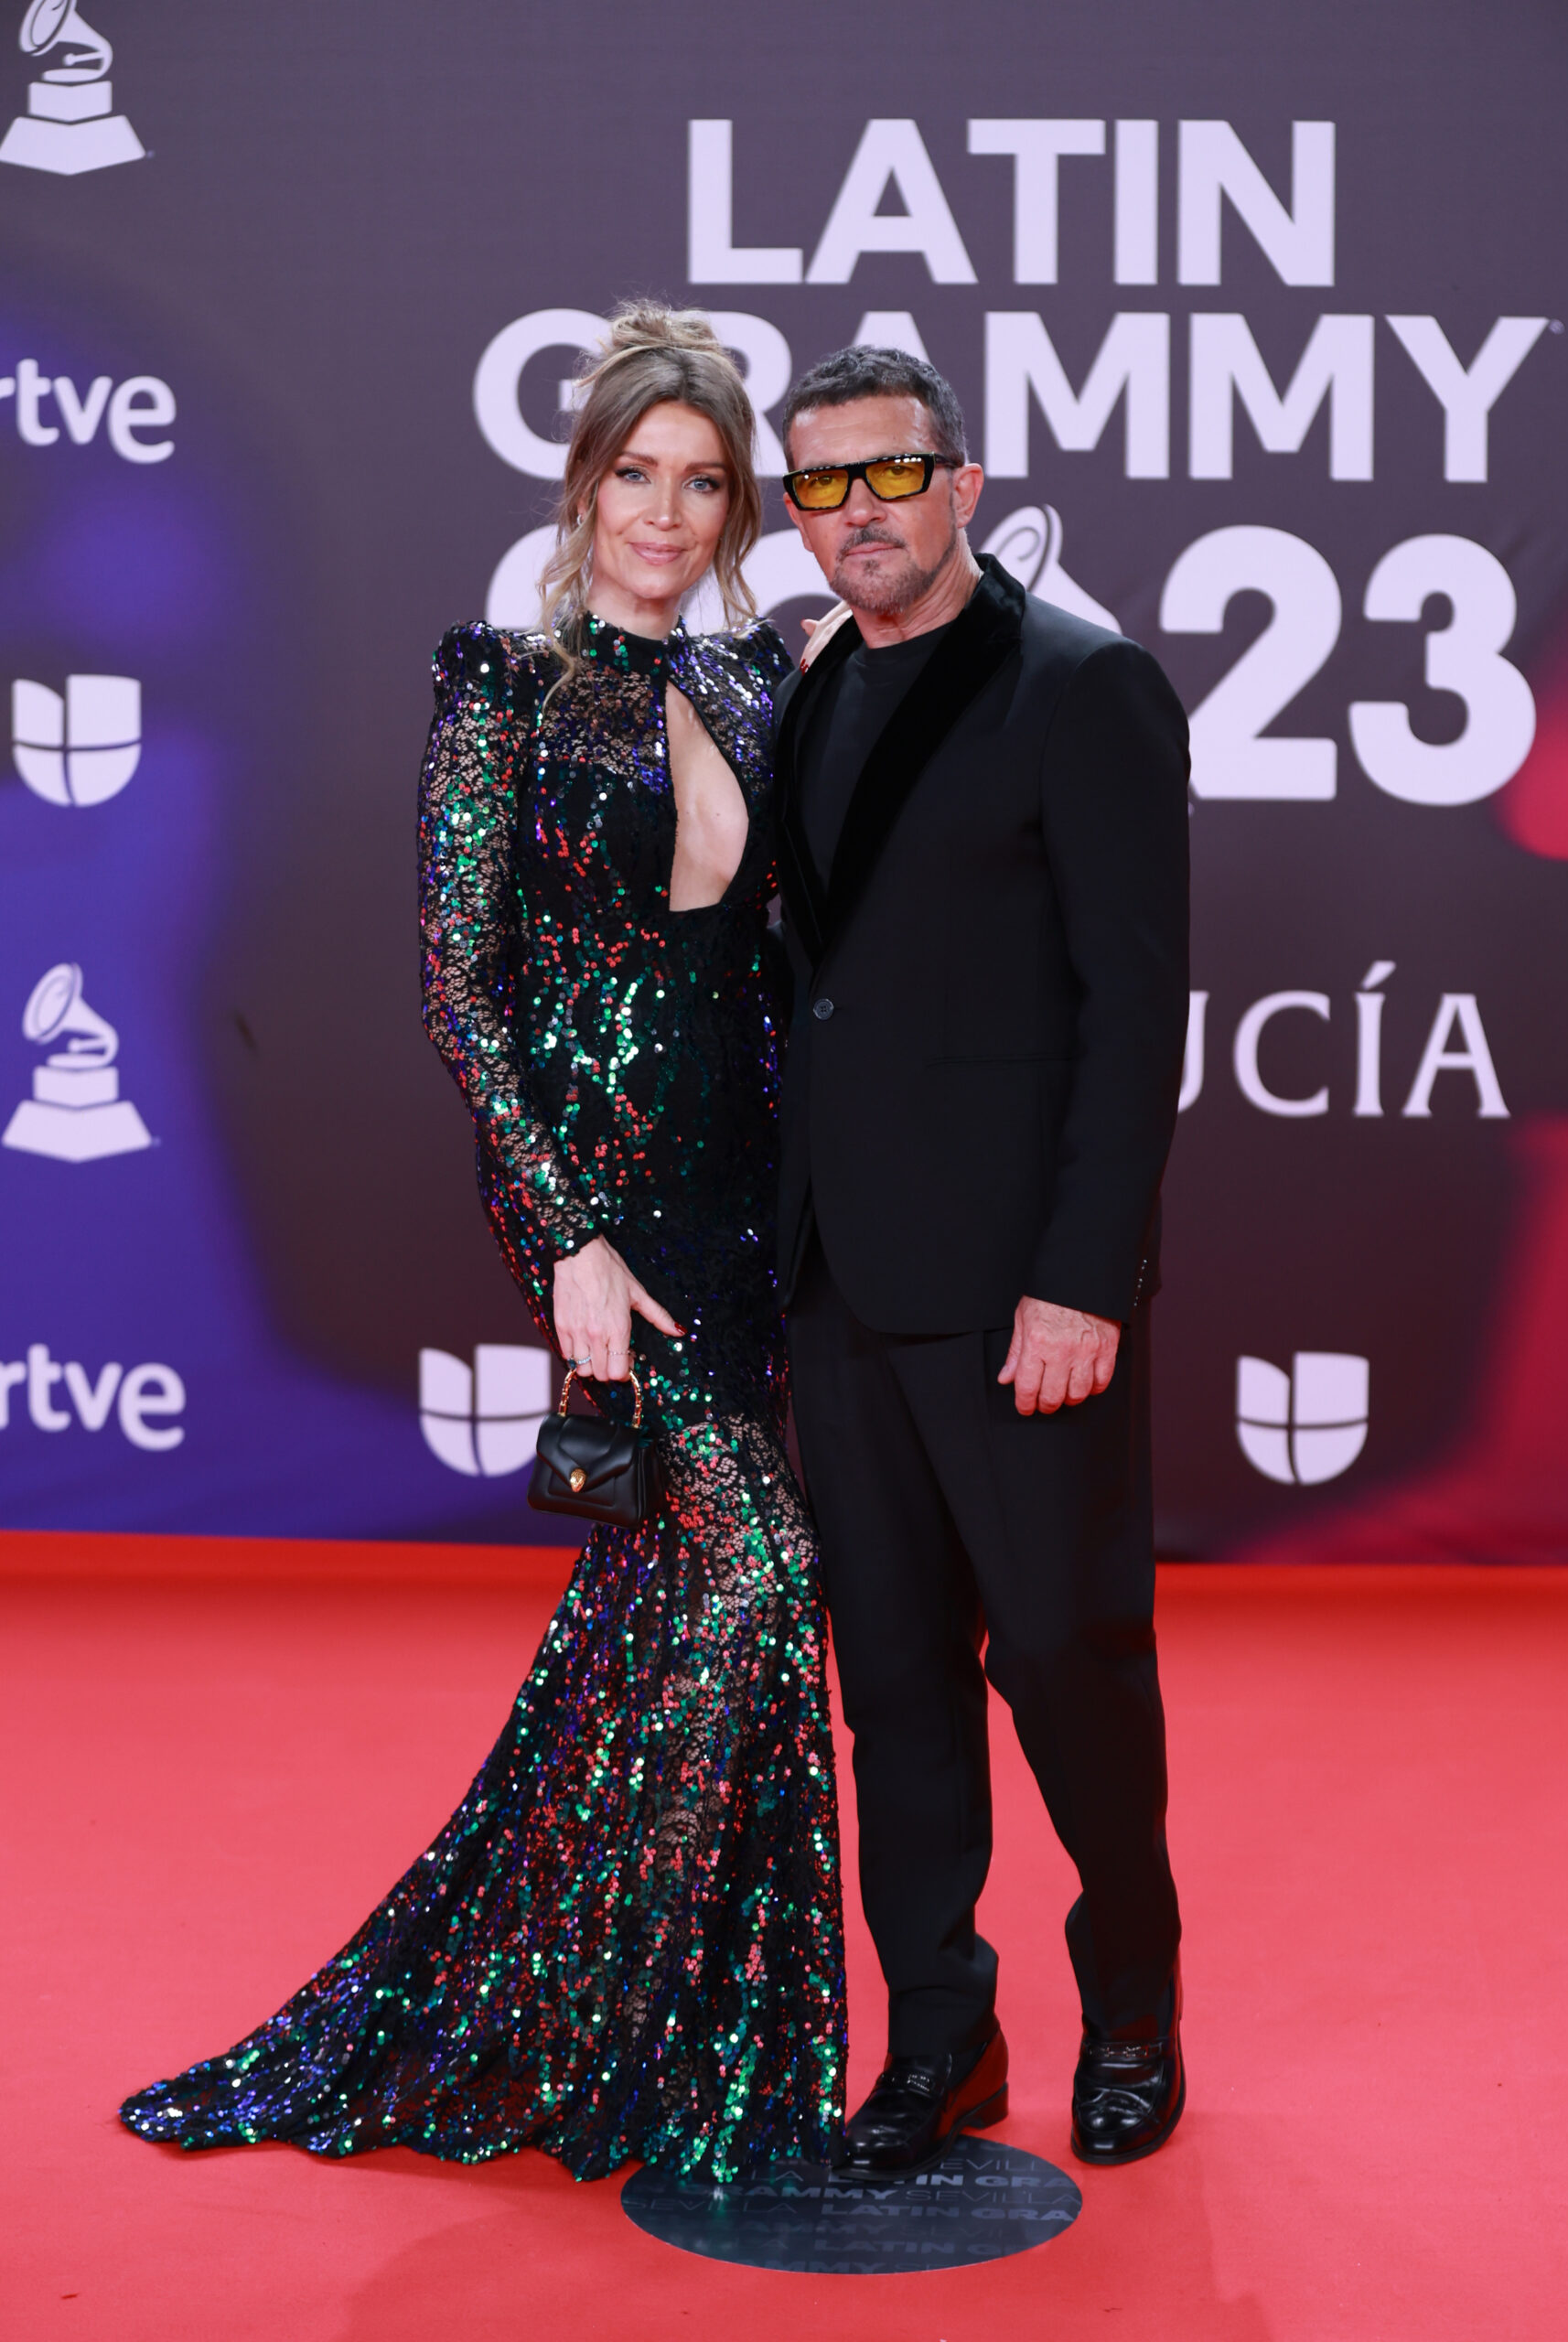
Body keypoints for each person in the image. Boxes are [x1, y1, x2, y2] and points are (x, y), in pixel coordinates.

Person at [119, 304, 845, 2184]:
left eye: (702, 483)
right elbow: (461, 983)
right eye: (637, 478)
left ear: (734, 501)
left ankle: (641, 2012)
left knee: (674, 1607)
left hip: (751, 1186)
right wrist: (567, 1235)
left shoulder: (768, 681)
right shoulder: (503, 688)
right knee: (756, 1580)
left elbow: (792, 952)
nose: (667, 515)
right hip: (604, 1193)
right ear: (583, 485)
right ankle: (630, 2019)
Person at [772, 346, 1190, 2175]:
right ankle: (941, 2028)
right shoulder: (809, 692)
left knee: (1067, 1659)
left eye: (888, 475)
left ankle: (1136, 2005)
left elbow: (1132, 1008)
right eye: (819, 488)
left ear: (962, 475)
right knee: (895, 1689)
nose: (855, 515)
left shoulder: (1080, 686)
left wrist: (1085, 1275)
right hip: (839, 1286)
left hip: (1021, 1298)